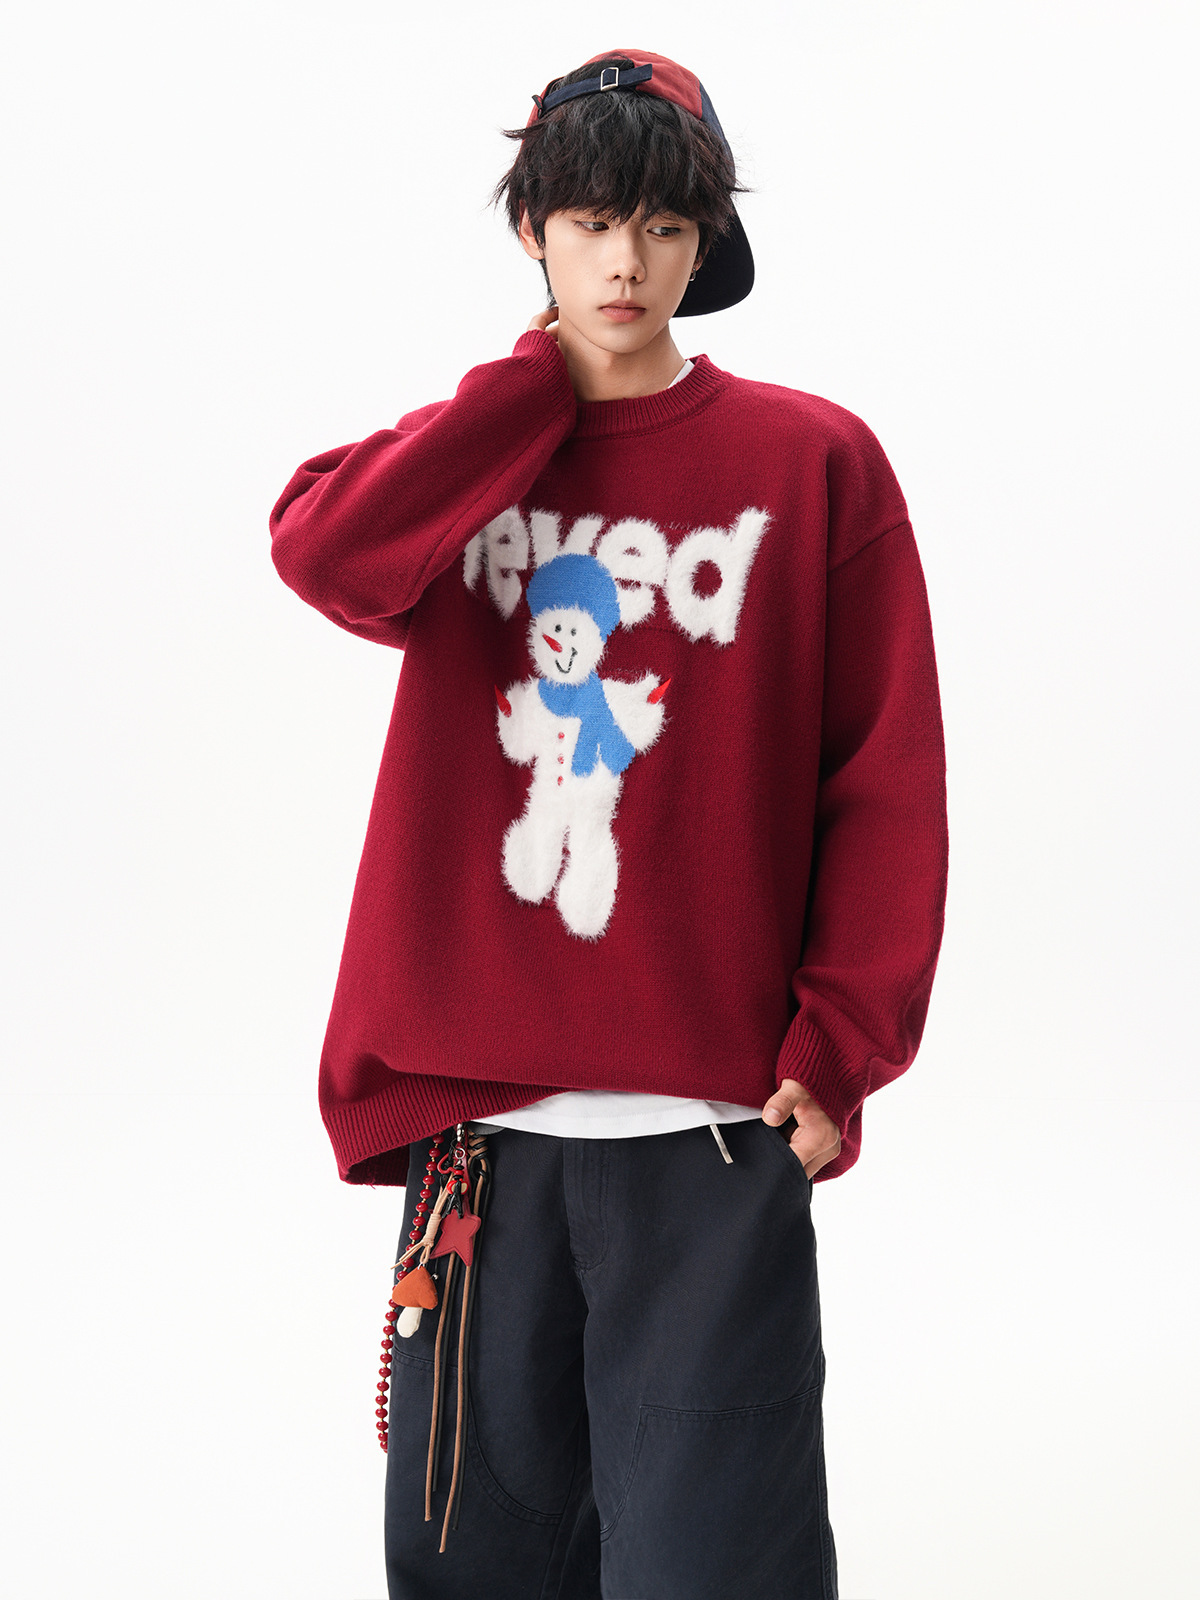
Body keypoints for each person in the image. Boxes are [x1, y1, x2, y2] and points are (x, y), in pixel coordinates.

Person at [268, 46, 948, 1600]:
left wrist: (842, 1045)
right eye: (587, 222)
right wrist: (526, 392)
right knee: (474, 1566)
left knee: (718, 1571)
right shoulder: (465, 465)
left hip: (712, 1131)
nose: (624, 262)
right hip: (478, 1140)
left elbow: (883, 780)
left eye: (659, 224)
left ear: (706, 241)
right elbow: (325, 554)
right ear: (534, 233)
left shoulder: (813, 462)